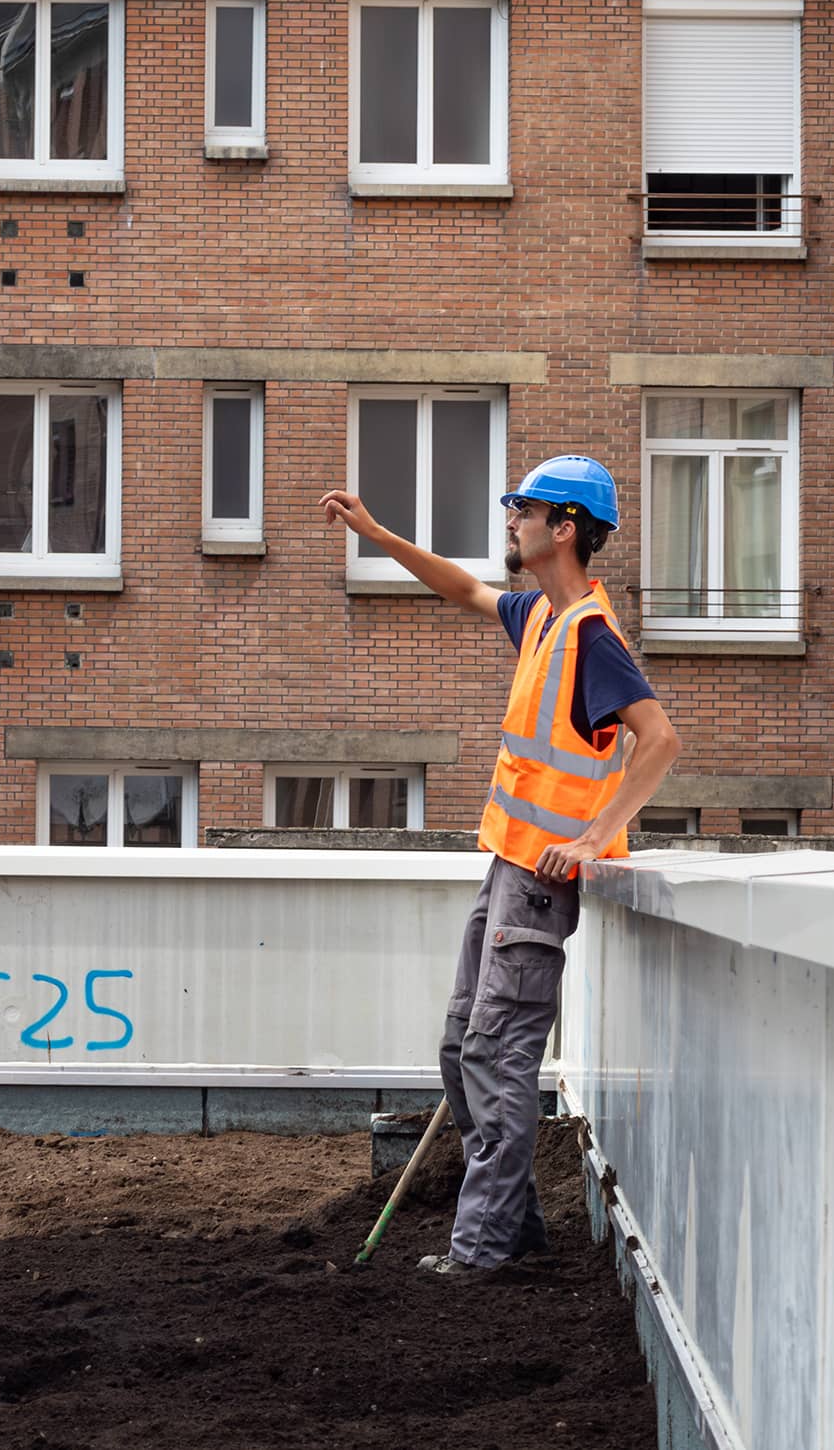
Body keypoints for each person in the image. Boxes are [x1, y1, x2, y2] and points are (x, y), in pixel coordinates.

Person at [323, 456, 681, 1275]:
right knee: (461, 1046)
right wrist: (377, 536)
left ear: (564, 528)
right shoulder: (544, 619)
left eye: (523, 508)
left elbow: (660, 740)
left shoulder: (593, 634)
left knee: (497, 1053)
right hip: (505, 868)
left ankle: (481, 1249)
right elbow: (463, 589)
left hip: (541, 885)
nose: (509, 518)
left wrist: (594, 839)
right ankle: (512, 1224)